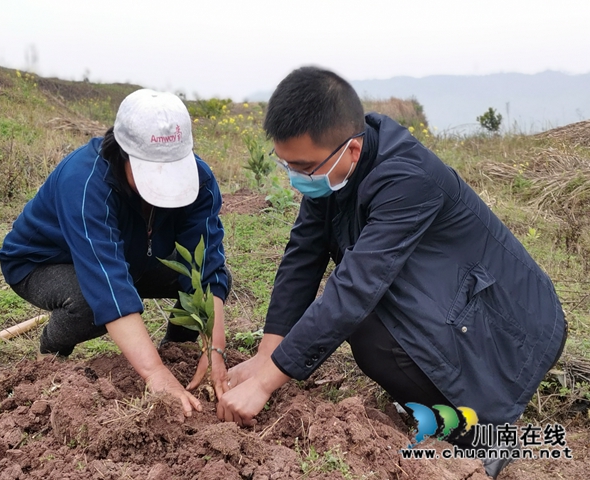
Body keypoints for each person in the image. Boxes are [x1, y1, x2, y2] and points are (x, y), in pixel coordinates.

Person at [217, 67, 567, 478]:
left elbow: (355, 289)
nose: (297, 179)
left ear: (350, 149)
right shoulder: (332, 171)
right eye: (287, 165)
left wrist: (263, 384)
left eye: (304, 167)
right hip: (450, 294)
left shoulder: (407, 177)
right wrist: (265, 354)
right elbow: (303, 254)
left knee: (369, 330)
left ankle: (483, 434)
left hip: (506, 323)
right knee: (369, 321)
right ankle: (442, 401)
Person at [0, 89, 231, 416]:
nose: (164, 185)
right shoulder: (84, 182)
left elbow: (206, 269)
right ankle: (51, 353)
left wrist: (214, 351)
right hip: (43, 262)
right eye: (153, 172)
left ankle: (176, 351)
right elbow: (106, 284)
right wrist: (154, 373)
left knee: (201, 282)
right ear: (123, 153)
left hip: (132, 259)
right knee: (88, 303)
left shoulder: (200, 181)